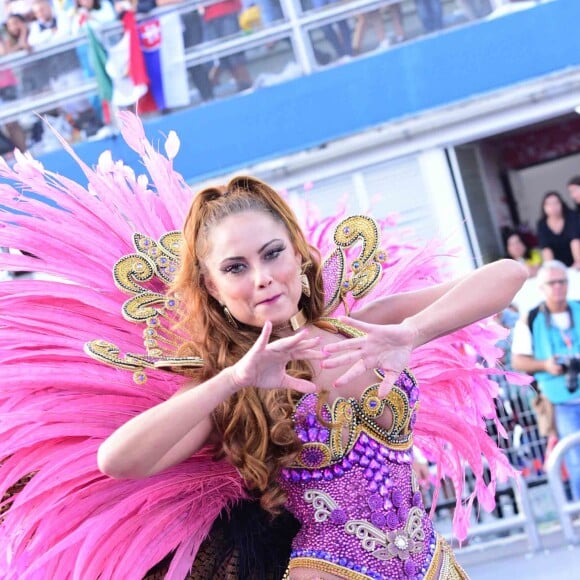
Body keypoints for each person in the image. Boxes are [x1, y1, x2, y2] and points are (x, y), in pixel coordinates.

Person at [95, 176, 527, 578]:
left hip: (433, 564)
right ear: (211, 287)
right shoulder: (231, 392)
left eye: (272, 253)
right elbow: (118, 460)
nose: (262, 278)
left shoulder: (367, 329)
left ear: (298, 252)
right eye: (235, 268)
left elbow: (509, 275)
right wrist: (232, 380)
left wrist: (413, 333)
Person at [511, 260, 580, 501]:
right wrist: (545, 365)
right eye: (552, 283)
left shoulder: (578, 308)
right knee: (575, 459)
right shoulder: (531, 319)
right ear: (541, 287)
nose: (558, 287)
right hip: (560, 400)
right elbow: (518, 361)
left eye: (562, 281)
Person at [536, 190, 580, 269]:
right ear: (544, 207)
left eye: (556, 203)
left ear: (561, 204)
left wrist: (578, 263)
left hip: (575, 263)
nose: (553, 206)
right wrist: (551, 268)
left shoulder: (572, 217)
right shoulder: (541, 224)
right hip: (558, 265)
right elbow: (546, 248)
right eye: (549, 204)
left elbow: (575, 241)